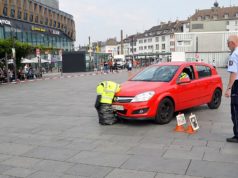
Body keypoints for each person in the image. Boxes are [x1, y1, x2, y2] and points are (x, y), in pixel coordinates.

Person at [225, 35, 238, 143]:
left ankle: (237, 135)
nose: (227, 45)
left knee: (235, 110)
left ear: (233, 43)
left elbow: (234, 73)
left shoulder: (234, 55)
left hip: (236, 85)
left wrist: (229, 88)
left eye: (228, 43)